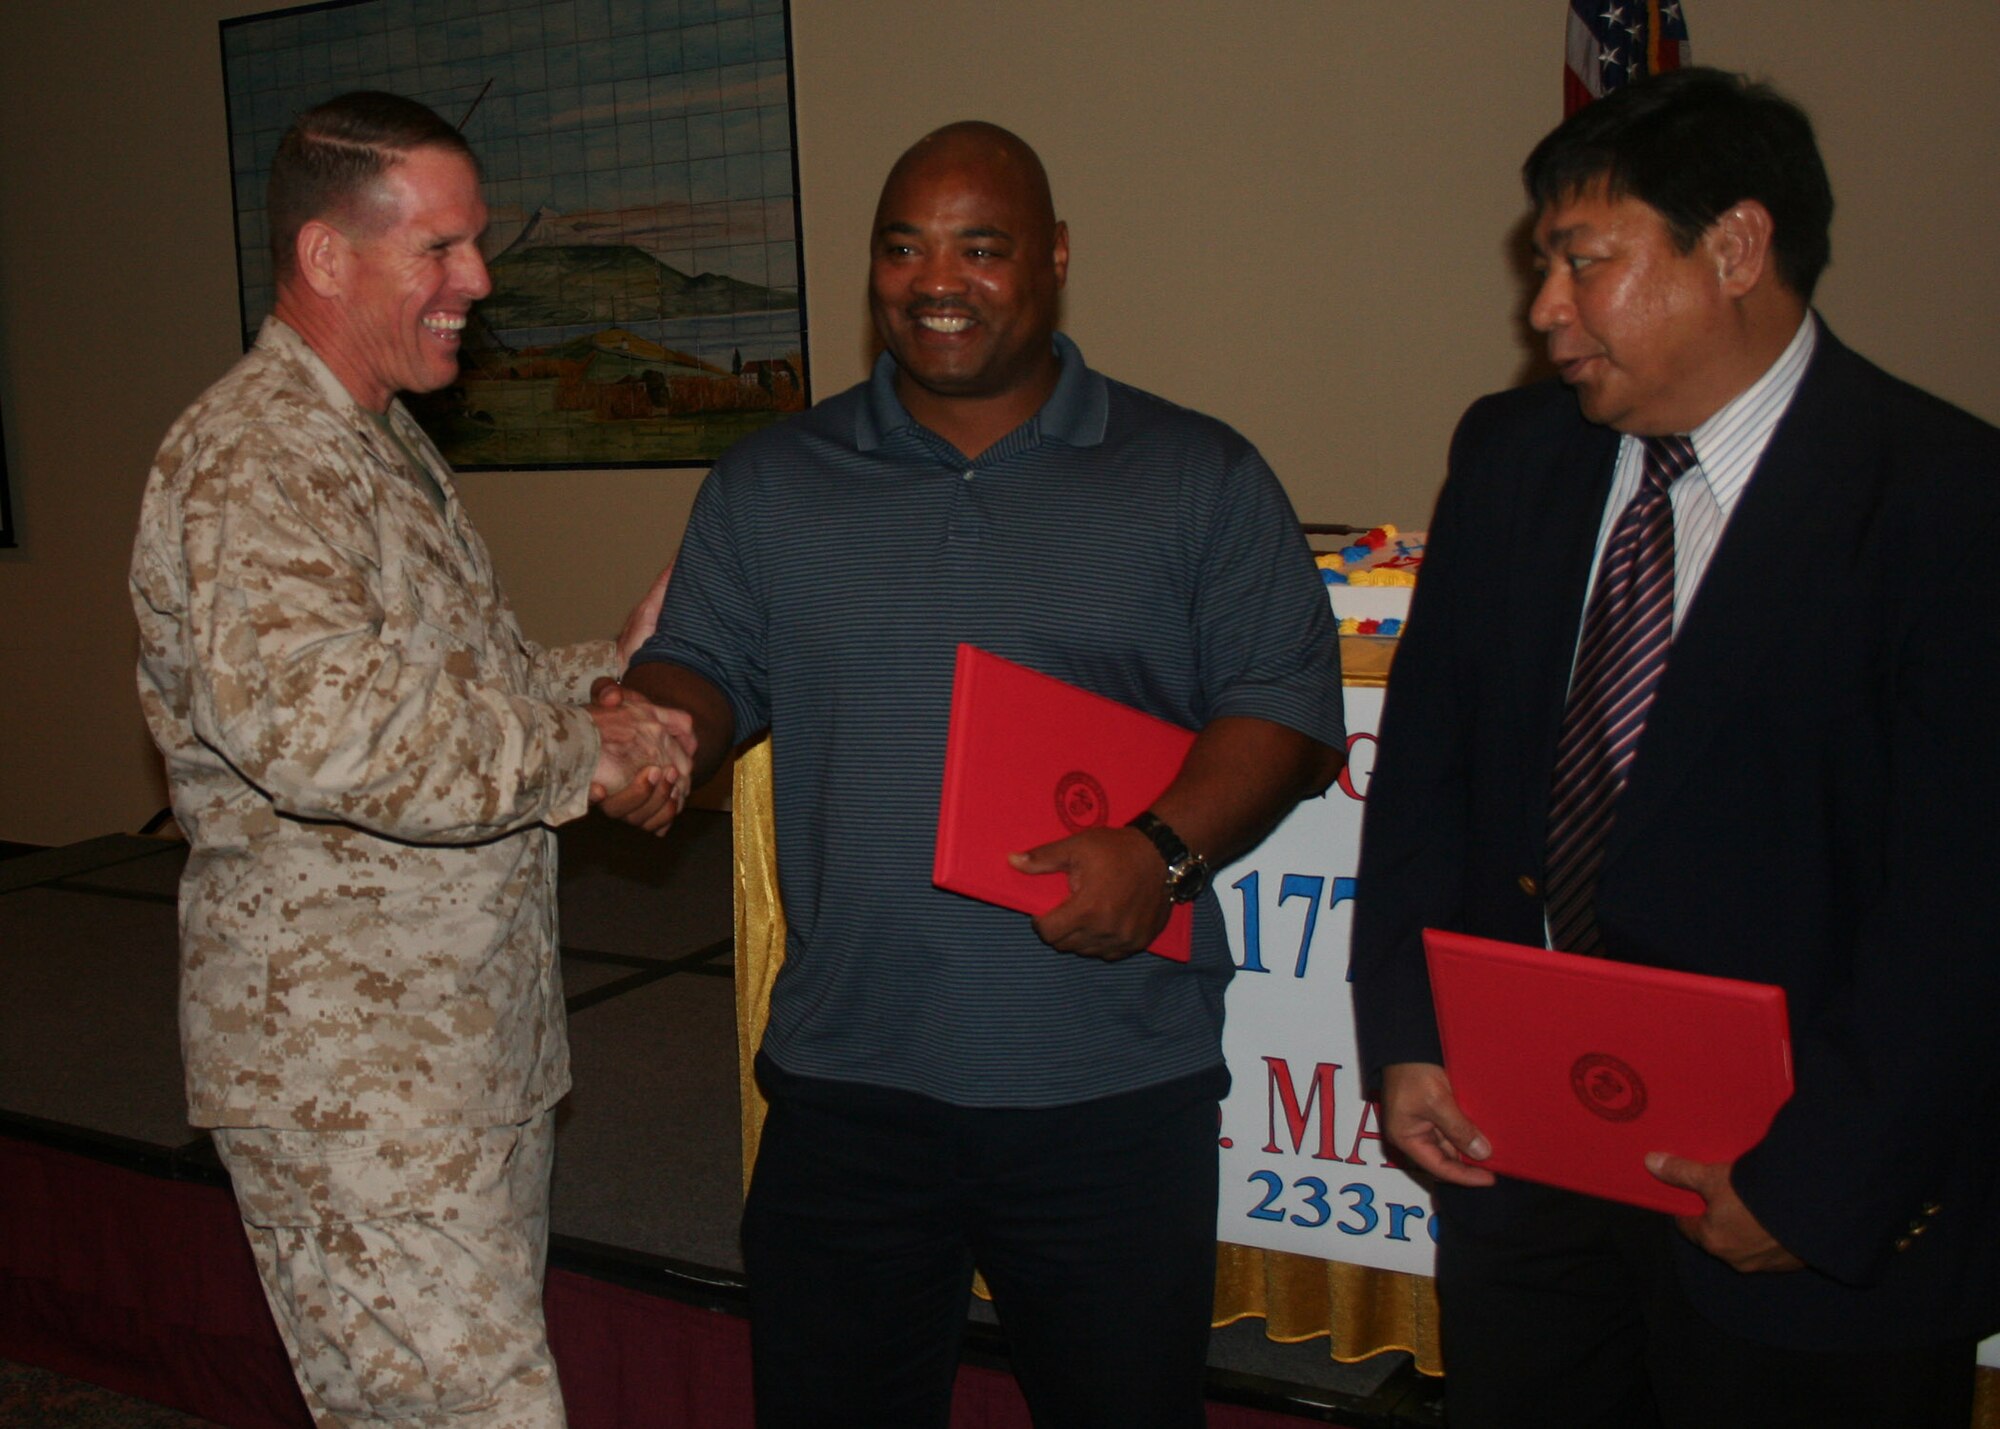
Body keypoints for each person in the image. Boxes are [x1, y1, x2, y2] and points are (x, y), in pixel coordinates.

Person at [609, 120, 1345, 1428]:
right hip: (850, 1082)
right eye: (902, 246)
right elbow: (703, 664)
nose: (932, 278)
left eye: (979, 247)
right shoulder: (773, 482)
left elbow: (1282, 707)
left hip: (1110, 1088)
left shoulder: (1197, 474)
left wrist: (1163, 853)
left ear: (1053, 261)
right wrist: (655, 727)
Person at [1350, 67, 2000, 1429]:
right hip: (1521, 1183)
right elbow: (1429, 772)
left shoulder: (1943, 502)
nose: (1545, 312)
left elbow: (1961, 907)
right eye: (1544, 268)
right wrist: (1411, 1031)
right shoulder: (1513, 453)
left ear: (1738, 249)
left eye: (1585, 263)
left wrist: (1816, 1184)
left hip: (1799, 1226)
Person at [129, 91, 691, 1428]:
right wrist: (587, 746)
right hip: (354, 1082)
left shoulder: (368, 443)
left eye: (474, 243)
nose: (478, 279)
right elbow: (332, 731)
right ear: (329, 257)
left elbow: (447, 680)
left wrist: (613, 674)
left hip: (451, 1057)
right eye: (440, 248)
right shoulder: (255, 455)